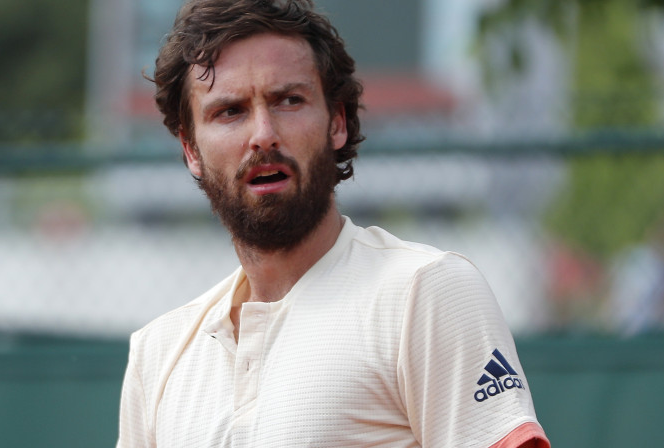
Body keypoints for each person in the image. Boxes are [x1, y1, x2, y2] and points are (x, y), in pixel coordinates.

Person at [117, 0, 550, 446]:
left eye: (289, 100)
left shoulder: (426, 292)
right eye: (230, 111)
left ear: (337, 122)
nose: (263, 133)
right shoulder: (158, 354)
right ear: (191, 151)